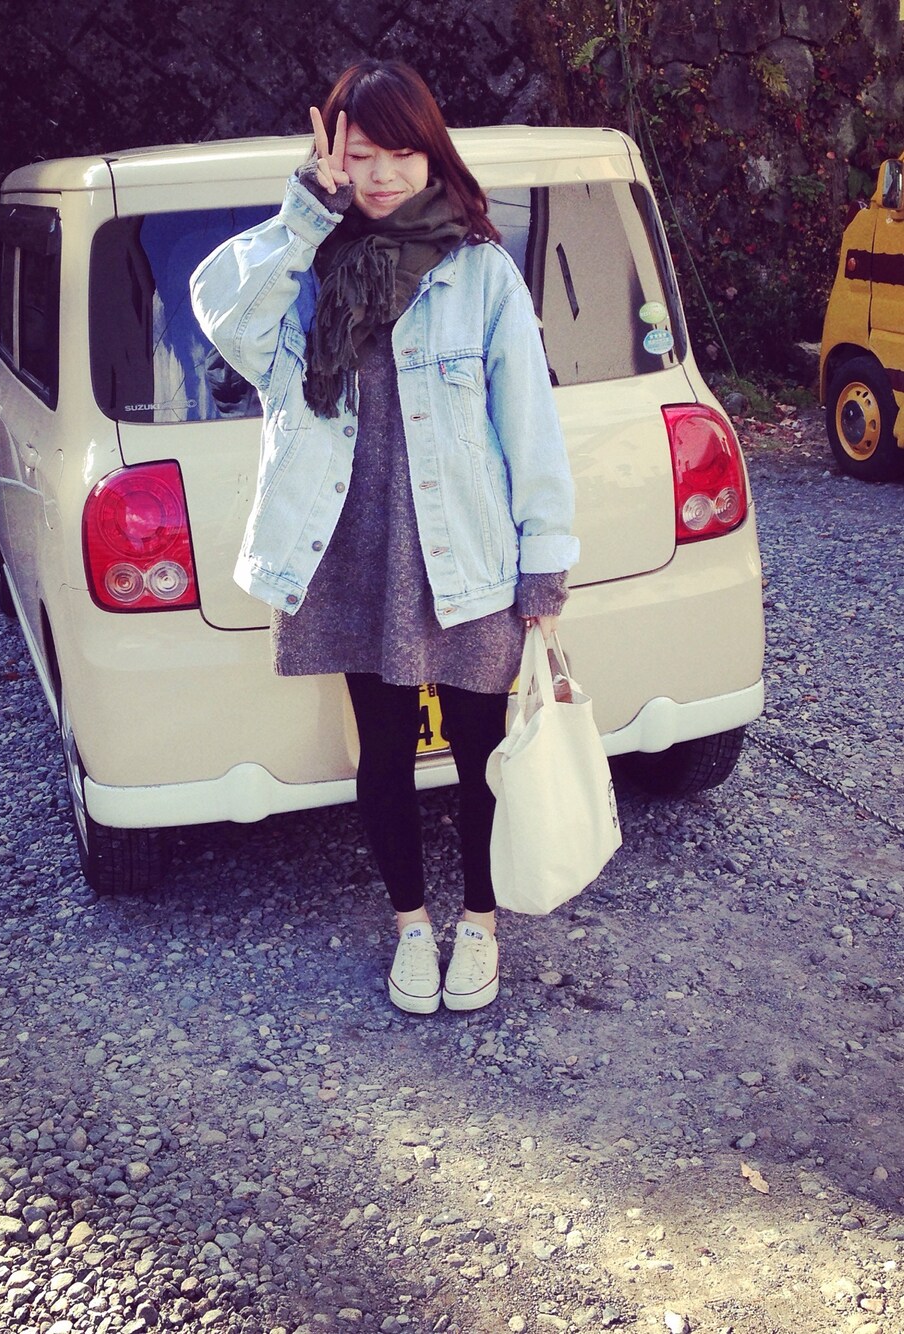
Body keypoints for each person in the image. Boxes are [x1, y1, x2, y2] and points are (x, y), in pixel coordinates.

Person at [190, 60, 578, 1016]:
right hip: (353, 546)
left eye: (401, 153)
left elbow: (529, 426)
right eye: (360, 155)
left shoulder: (480, 272)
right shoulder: (303, 271)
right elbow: (223, 314)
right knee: (386, 753)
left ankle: (479, 921)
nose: (382, 175)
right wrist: (305, 211)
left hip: (468, 555)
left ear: (431, 153)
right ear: (334, 159)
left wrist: (544, 562)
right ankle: (411, 923)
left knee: (483, 750)